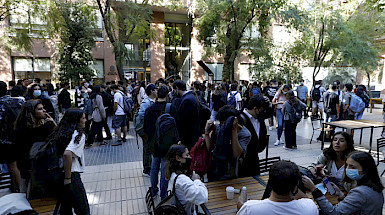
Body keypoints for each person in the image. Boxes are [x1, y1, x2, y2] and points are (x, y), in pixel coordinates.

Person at [303, 151, 384, 215]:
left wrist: (314, 190)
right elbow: (356, 205)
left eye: (353, 167)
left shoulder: (360, 192)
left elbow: (333, 212)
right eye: (347, 165)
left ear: (366, 169)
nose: (348, 169)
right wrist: (341, 194)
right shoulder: (375, 187)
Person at [45, 108, 90, 214]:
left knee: (65, 209)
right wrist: (68, 178)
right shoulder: (79, 135)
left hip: (56, 175)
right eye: (83, 118)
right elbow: (67, 154)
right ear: (76, 121)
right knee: (83, 210)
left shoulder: (60, 132)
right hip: (71, 175)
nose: (85, 120)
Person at [237, 161, 318, 215]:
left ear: (270, 183)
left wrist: (241, 207)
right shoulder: (310, 207)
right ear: (295, 187)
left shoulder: (250, 209)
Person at [14, 100, 56, 192]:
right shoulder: (44, 128)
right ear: (31, 113)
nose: (44, 111)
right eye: (40, 109)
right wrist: (52, 123)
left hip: (32, 168)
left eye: (43, 108)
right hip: (34, 168)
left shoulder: (20, 128)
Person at [204, 105, 251, 180]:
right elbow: (210, 148)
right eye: (220, 122)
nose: (222, 125)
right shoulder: (219, 127)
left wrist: (233, 130)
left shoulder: (244, 134)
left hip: (231, 172)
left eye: (224, 123)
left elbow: (236, 154)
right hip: (215, 168)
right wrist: (206, 132)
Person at [144, 85, 171, 199]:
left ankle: (154, 189)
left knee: (154, 167)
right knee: (165, 168)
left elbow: (146, 128)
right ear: (167, 95)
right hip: (166, 143)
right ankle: (163, 194)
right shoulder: (170, 107)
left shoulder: (149, 109)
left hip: (153, 143)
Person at [165, 144, 208, 215]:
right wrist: (196, 180)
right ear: (178, 158)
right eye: (187, 155)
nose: (190, 157)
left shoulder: (173, 173)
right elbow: (202, 197)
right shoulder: (182, 179)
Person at [0, 81, 24, 192]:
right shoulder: (18, 102)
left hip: (3, 140)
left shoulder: (1, 104)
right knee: (14, 166)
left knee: (11, 166)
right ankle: (19, 190)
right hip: (17, 137)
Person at [238, 96, 270, 176]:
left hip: (255, 161)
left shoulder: (260, 119)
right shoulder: (239, 119)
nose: (263, 112)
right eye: (262, 109)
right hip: (242, 163)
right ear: (255, 109)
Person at [173, 80, 201, 150]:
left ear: (176, 88)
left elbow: (185, 122)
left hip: (189, 137)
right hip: (193, 134)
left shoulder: (187, 100)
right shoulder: (191, 97)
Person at [138, 83, 158, 176]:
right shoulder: (146, 102)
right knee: (147, 149)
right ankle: (146, 169)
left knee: (149, 148)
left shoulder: (152, 101)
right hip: (145, 129)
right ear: (151, 91)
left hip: (149, 128)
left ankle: (149, 167)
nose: (157, 91)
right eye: (155, 90)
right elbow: (141, 114)